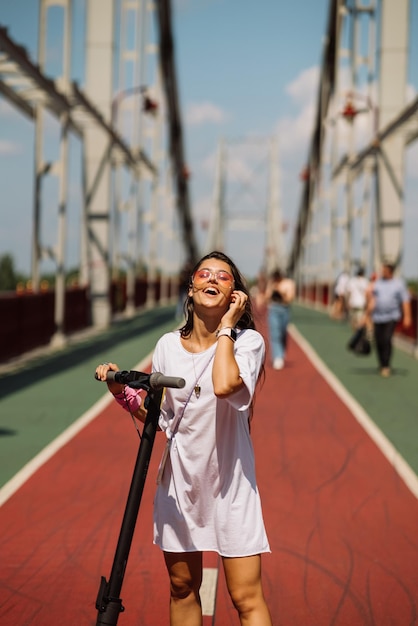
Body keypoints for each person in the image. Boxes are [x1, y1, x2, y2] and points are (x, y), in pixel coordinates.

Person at [95, 250, 273, 626]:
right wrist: (119, 392)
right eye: (203, 274)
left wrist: (226, 326)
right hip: (181, 487)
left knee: (246, 598)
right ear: (190, 289)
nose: (212, 280)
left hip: (232, 488)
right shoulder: (166, 347)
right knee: (182, 589)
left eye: (223, 278)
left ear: (235, 296)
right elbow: (161, 418)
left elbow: (225, 385)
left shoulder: (247, 344)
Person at [366, 261, 412, 377]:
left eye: (385, 270)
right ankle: (381, 363)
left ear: (390, 271)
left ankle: (386, 365)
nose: (382, 272)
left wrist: (407, 316)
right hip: (377, 316)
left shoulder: (398, 284)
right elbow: (370, 297)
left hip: (391, 316)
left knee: (386, 339)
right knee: (378, 340)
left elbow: (405, 301)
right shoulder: (377, 283)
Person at [264, 268, 296, 369]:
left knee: (282, 334)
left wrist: (280, 291)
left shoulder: (288, 283)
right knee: (275, 333)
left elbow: (289, 299)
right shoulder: (272, 283)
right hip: (274, 309)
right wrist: (272, 289)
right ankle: (278, 357)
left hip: (284, 310)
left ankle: (281, 354)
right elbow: (267, 298)